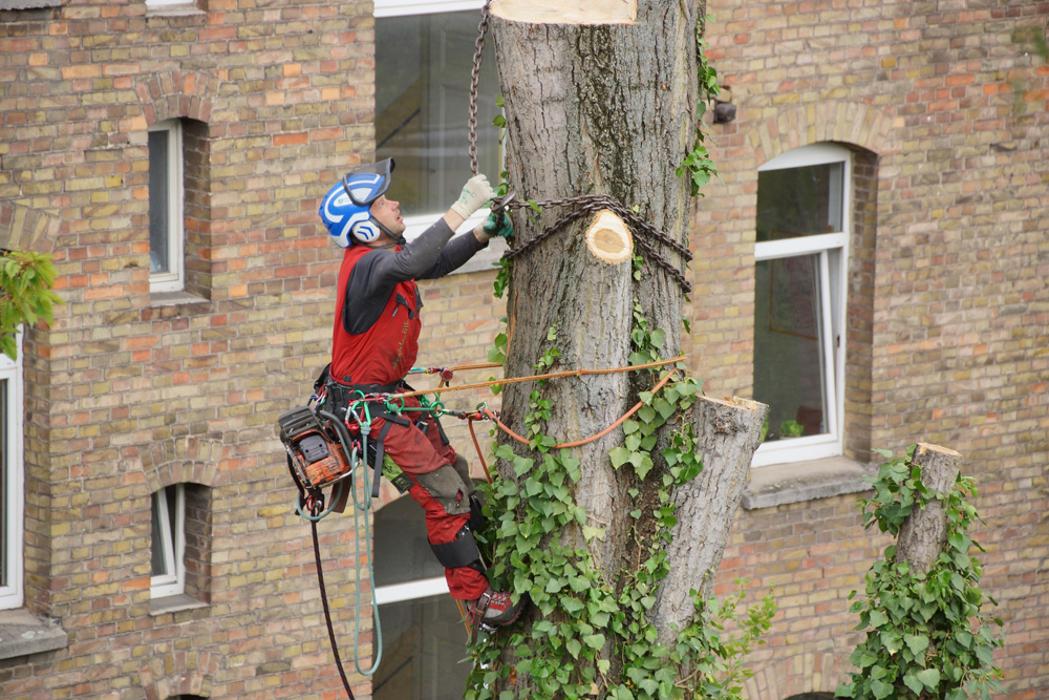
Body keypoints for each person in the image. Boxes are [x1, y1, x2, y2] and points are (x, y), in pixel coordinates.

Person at [317, 158, 520, 630]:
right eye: (383, 202)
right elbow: (414, 260)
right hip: (366, 410)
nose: (395, 202)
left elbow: (434, 261)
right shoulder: (367, 267)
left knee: (457, 472)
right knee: (443, 494)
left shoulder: (387, 262)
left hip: (388, 396)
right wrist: (461, 207)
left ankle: (481, 556)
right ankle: (476, 601)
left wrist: (482, 233)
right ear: (365, 226)